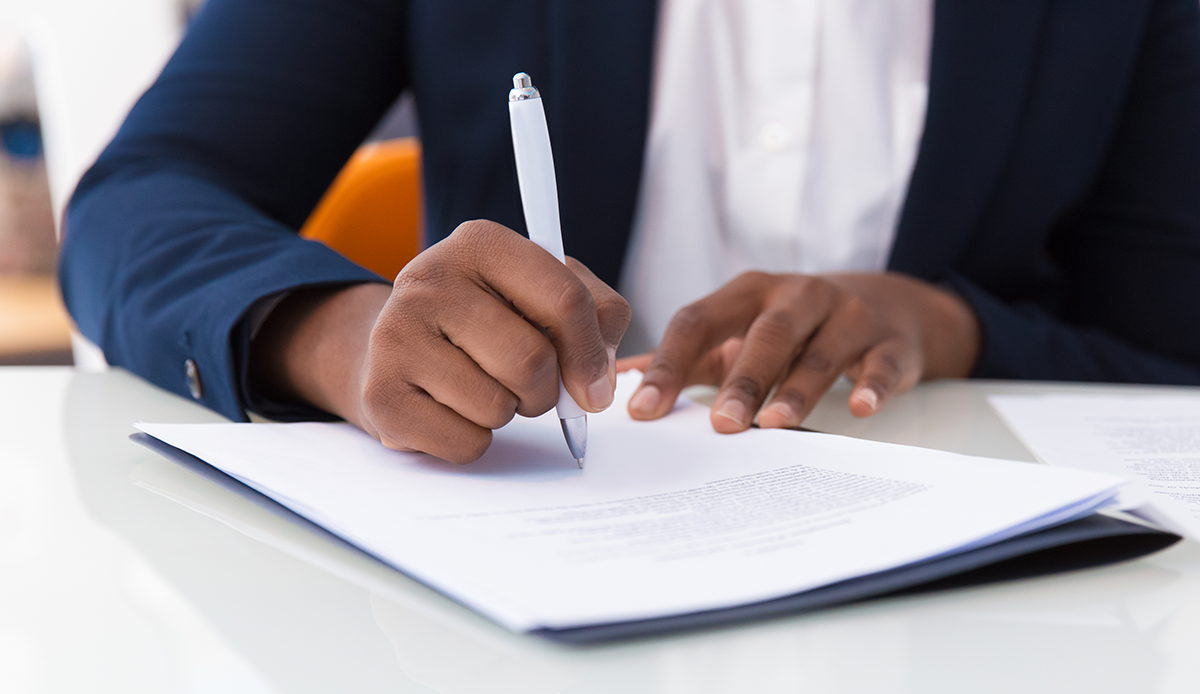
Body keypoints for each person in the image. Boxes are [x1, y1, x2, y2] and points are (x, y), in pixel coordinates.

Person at [60, 0, 1200, 464]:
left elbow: (1167, 354)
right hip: (521, 614)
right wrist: (346, 336)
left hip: (988, 650)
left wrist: (946, 324)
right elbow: (138, 199)